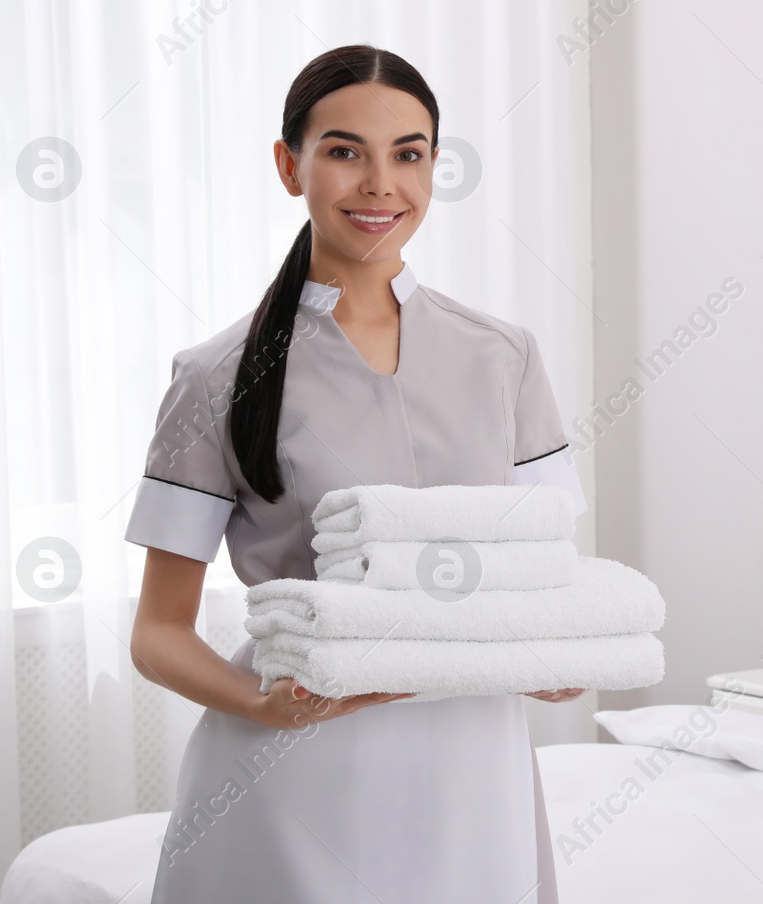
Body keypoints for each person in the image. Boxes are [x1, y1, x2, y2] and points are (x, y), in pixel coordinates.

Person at [125, 45, 585, 903]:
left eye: (408, 154)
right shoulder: (216, 374)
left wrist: (561, 651)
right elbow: (158, 632)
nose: (380, 184)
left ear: (434, 166)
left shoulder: (504, 357)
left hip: (475, 776)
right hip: (293, 780)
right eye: (345, 151)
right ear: (288, 165)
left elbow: (547, 576)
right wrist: (264, 705)